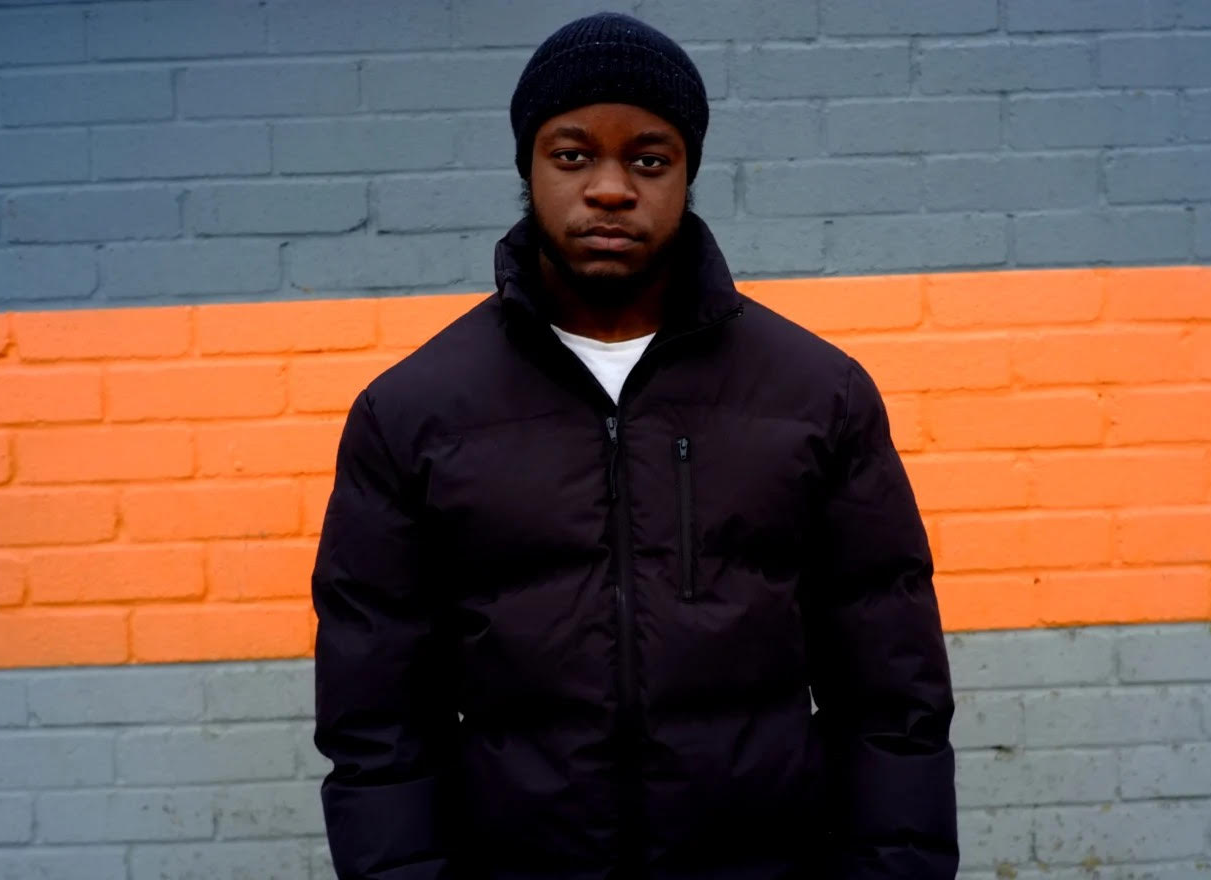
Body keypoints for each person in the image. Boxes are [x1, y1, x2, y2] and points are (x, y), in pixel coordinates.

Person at [311, 12, 957, 879]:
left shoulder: (816, 396)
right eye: (572, 154)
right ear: (527, 169)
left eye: (647, 159)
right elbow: (377, 724)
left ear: (686, 173)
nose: (610, 187)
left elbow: (892, 699)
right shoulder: (412, 414)